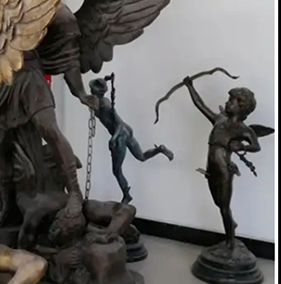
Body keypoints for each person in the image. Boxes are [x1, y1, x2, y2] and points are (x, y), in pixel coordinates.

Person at [183, 80, 262, 249]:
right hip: (211, 169)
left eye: (231, 101)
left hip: (224, 170)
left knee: (224, 208)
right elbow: (200, 105)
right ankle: (231, 224)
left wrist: (242, 146)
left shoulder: (243, 129)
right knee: (218, 203)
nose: (227, 103)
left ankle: (230, 243)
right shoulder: (219, 120)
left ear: (241, 107)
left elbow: (256, 146)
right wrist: (190, 86)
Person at [89, 77, 174, 203]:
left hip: (120, 135)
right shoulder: (102, 101)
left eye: (92, 89)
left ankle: (126, 194)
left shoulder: (105, 105)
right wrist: (105, 80)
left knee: (116, 170)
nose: (90, 91)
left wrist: (114, 138)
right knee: (141, 157)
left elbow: (119, 124)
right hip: (126, 131)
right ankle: (159, 149)